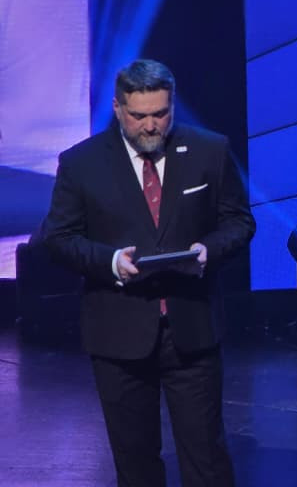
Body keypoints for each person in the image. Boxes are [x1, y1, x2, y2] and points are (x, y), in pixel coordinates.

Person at [39, 58, 255, 487]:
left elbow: (239, 222)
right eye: (139, 116)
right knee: (135, 462)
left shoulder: (209, 151)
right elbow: (58, 238)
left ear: (172, 104)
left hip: (191, 329)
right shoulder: (81, 163)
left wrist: (207, 252)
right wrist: (111, 261)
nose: (151, 126)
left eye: (160, 113)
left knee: (206, 458)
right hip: (118, 334)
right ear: (118, 108)